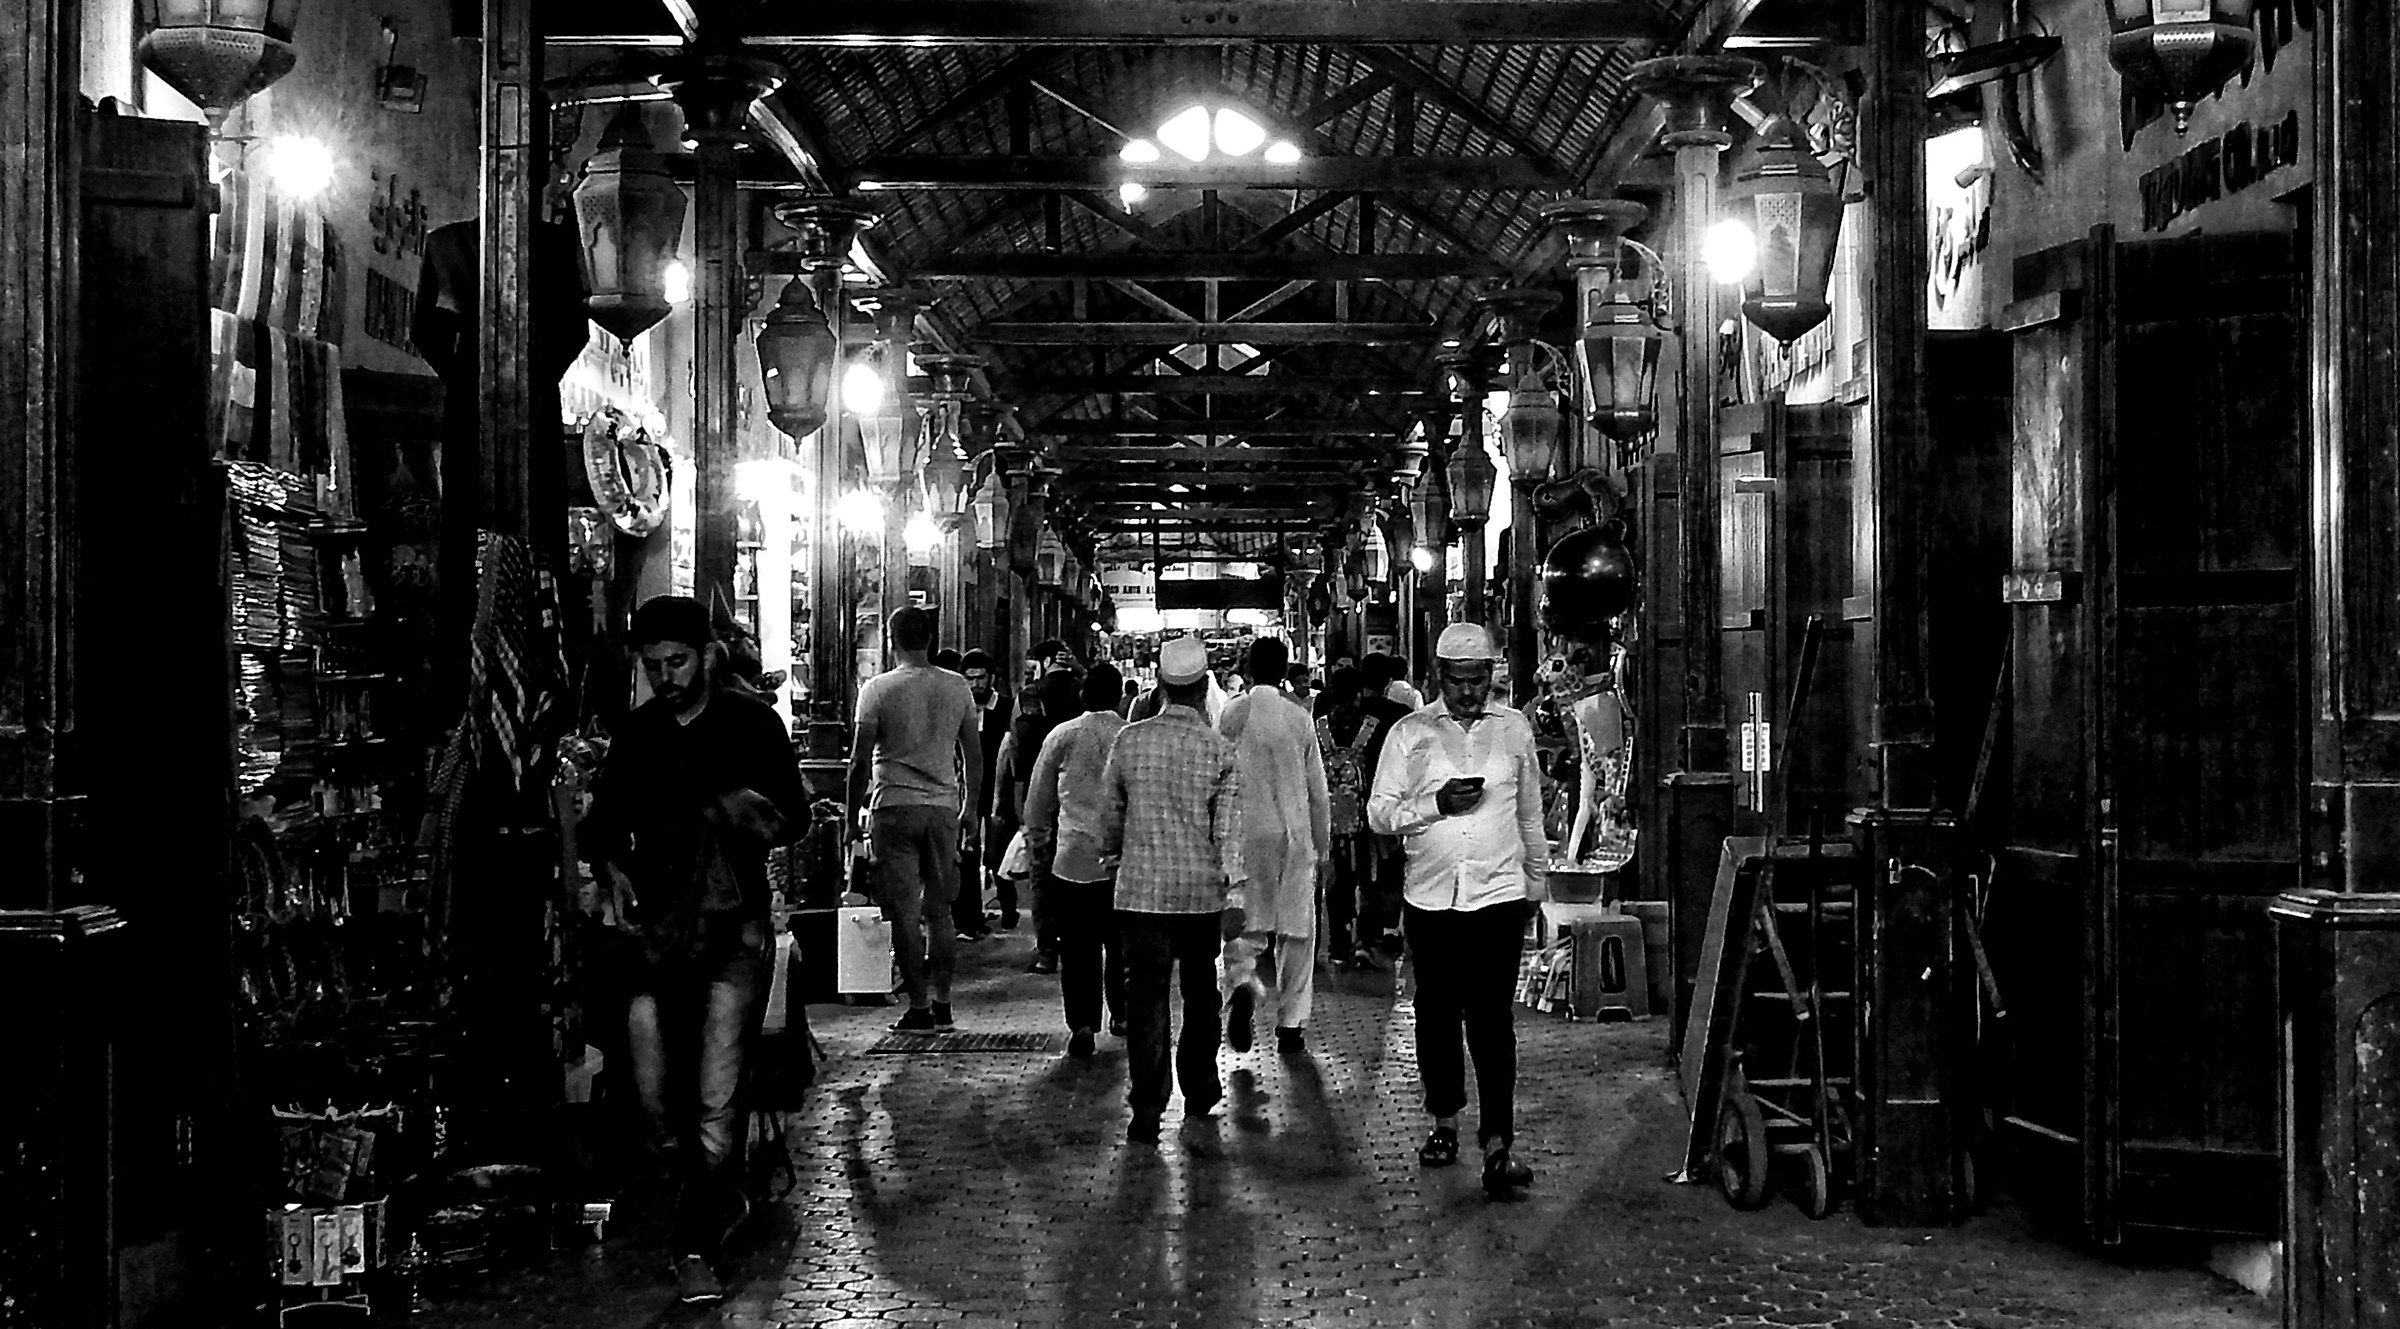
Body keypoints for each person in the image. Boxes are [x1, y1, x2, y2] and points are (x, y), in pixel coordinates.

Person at [581, 595, 807, 1303]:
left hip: (733, 933)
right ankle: (717, 1197)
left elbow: (794, 817)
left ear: (707, 654)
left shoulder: (751, 723)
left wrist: (747, 810)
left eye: (677, 661)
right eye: (653, 666)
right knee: (651, 1096)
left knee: (716, 1092)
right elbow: (603, 826)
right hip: (656, 938)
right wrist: (611, 867)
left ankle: (695, 1245)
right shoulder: (638, 732)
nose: (666, 675)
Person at [1366, 622, 1547, 1199]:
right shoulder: (1408, 735)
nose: (1470, 693)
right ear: (1438, 677)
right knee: (1437, 1014)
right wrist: (1433, 804)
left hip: (1497, 895)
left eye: (1480, 680)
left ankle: (1498, 1141)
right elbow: (1378, 813)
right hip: (1432, 897)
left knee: (1493, 1019)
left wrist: (1536, 884)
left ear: (1493, 675)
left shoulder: (1514, 729)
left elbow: (1530, 812)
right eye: (1458, 681)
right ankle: (1444, 1121)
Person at [1097, 634, 1247, 1144]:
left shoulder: (1129, 741)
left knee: (1146, 997)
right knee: (1201, 991)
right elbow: (1227, 833)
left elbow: (1109, 816)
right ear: (1204, 686)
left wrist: (1117, 850)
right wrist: (1235, 893)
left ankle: (1146, 1107)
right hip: (1200, 893)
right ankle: (1201, 1089)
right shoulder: (1218, 750)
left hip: (1140, 891)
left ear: (1159, 684)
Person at [847, 605, 982, 1034]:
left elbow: (857, 760)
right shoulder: (957, 687)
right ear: (930, 638)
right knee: (940, 913)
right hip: (943, 808)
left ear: (892, 640)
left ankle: (919, 1007)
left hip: (893, 807)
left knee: (903, 913)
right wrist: (971, 807)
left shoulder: (877, 690)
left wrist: (852, 820)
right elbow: (973, 756)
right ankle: (943, 1002)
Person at [1217, 637, 1331, 1056]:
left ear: (1247, 669)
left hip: (1245, 835)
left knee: (1246, 924)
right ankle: (1291, 1024)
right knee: (1299, 929)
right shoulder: (1300, 718)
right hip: (1294, 836)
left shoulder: (1231, 714)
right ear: (1284, 671)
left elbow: (1217, 776)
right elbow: (1318, 791)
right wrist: (1324, 843)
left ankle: (1244, 983)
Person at [1023, 662, 1130, 1057]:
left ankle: (1083, 1023)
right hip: (1123, 865)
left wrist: (1039, 845)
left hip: (1072, 861)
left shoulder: (1062, 736)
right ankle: (1122, 1015)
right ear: (1120, 695)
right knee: (1121, 945)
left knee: (1078, 948)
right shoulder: (1130, 736)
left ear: (1084, 696)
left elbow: (1037, 805)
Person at [1315, 665, 1389, 971]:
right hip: (1367, 819)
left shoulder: (1318, 727)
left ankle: (1338, 944)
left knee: (1336, 883)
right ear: (1359, 693)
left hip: (1329, 820)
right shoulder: (1373, 726)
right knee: (1369, 880)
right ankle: (1366, 941)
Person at [1010, 670, 1083, 973]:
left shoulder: (1029, 729)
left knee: (1042, 884)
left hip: (1041, 814)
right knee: (1074, 886)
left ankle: (1047, 951)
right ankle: (1076, 945)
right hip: (1076, 820)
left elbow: (1018, 775)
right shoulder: (1083, 730)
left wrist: (1022, 818)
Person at [958, 649, 1013, 940]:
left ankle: (1008, 906)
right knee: (969, 851)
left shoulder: (1005, 707)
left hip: (997, 787)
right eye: (969, 679)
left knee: (999, 850)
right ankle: (971, 914)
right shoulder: (959, 708)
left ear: (991, 678)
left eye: (981, 678)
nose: (975, 684)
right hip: (968, 788)